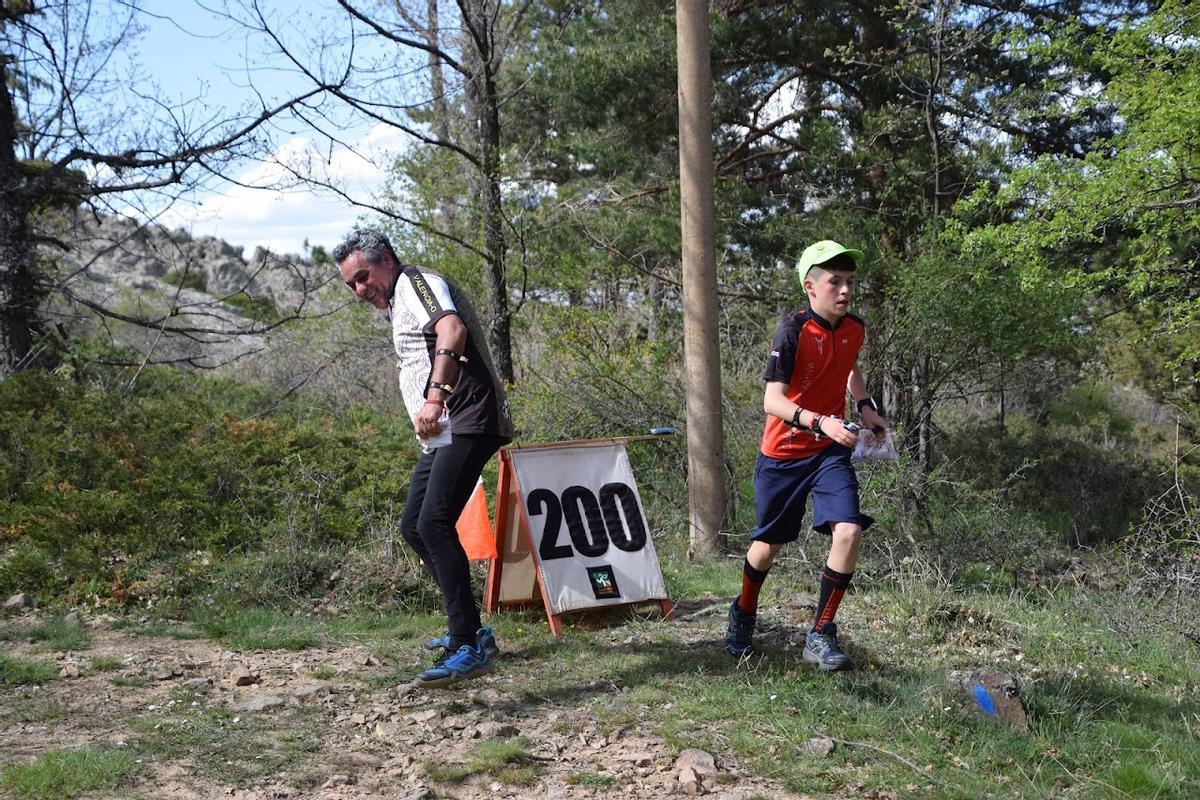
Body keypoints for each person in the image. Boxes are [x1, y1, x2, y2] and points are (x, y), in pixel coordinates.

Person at [333, 228, 513, 688]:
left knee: (434, 522)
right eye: (350, 283)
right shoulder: (400, 298)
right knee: (414, 525)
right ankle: (471, 628)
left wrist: (434, 399)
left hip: (466, 417)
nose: (359, 289)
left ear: (386, 260)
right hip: (446, 429)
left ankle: (467, 642)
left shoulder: (415, 282)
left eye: (362, 276)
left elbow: (452, 329)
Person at [724, 240, 889, 671]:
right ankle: (742, 612)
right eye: (834, 281)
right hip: (782, 453)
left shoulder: (854, 327)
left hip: (829, 452)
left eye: (850, 282)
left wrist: (866, 409)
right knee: (768, 545)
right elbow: (772, 402)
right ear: (810, 288)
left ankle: (821, 633)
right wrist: (822, 421)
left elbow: (850, 366)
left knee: (849, 531)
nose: (845, 290)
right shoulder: (792, 331)